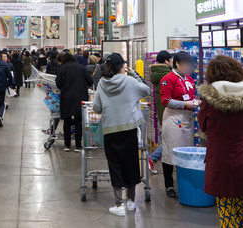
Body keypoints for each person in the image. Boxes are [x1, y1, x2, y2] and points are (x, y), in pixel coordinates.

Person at [198, 55, 243, 228]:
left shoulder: (209, 101)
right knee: (241, 208)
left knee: (226, 211)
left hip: (221, 161)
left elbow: (203, 125)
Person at [93, 53, 151, 216]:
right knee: (131, 163)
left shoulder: (102, 83)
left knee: (115, 165)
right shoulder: (130, 81)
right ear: (122, 66)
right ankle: (132, 202)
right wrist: (132, 73)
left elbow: (97, 108)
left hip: (111, 130)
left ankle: (118, 205)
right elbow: (146, 90)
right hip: (130, 129)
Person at [160, 51, 200, 198]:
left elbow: (192, 94)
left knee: (186, 152)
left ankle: (184, 182)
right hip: (173, 117)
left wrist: (196, 101)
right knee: (170, 151)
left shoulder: (188, 78)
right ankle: (169, 185)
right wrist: (185, 104)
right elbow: (165, 100)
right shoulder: (168, 78)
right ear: (177, 64)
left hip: (187, 118)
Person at [55, 52, 93, 152]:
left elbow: (58, 84)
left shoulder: (62, 69)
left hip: (66, 97)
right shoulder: (81, 67)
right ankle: (78, 146)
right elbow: (90, 81)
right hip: (80, 97)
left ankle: (67, 145)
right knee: (78, 121)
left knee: (67, 121)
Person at [148, 50, 172, 174]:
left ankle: (153, 158)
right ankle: (153, 158)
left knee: (167, 140)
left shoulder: (156, 74)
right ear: (166, 61)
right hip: (168, 113)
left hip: (162, 112)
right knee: (170, 140)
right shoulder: (168, 75)